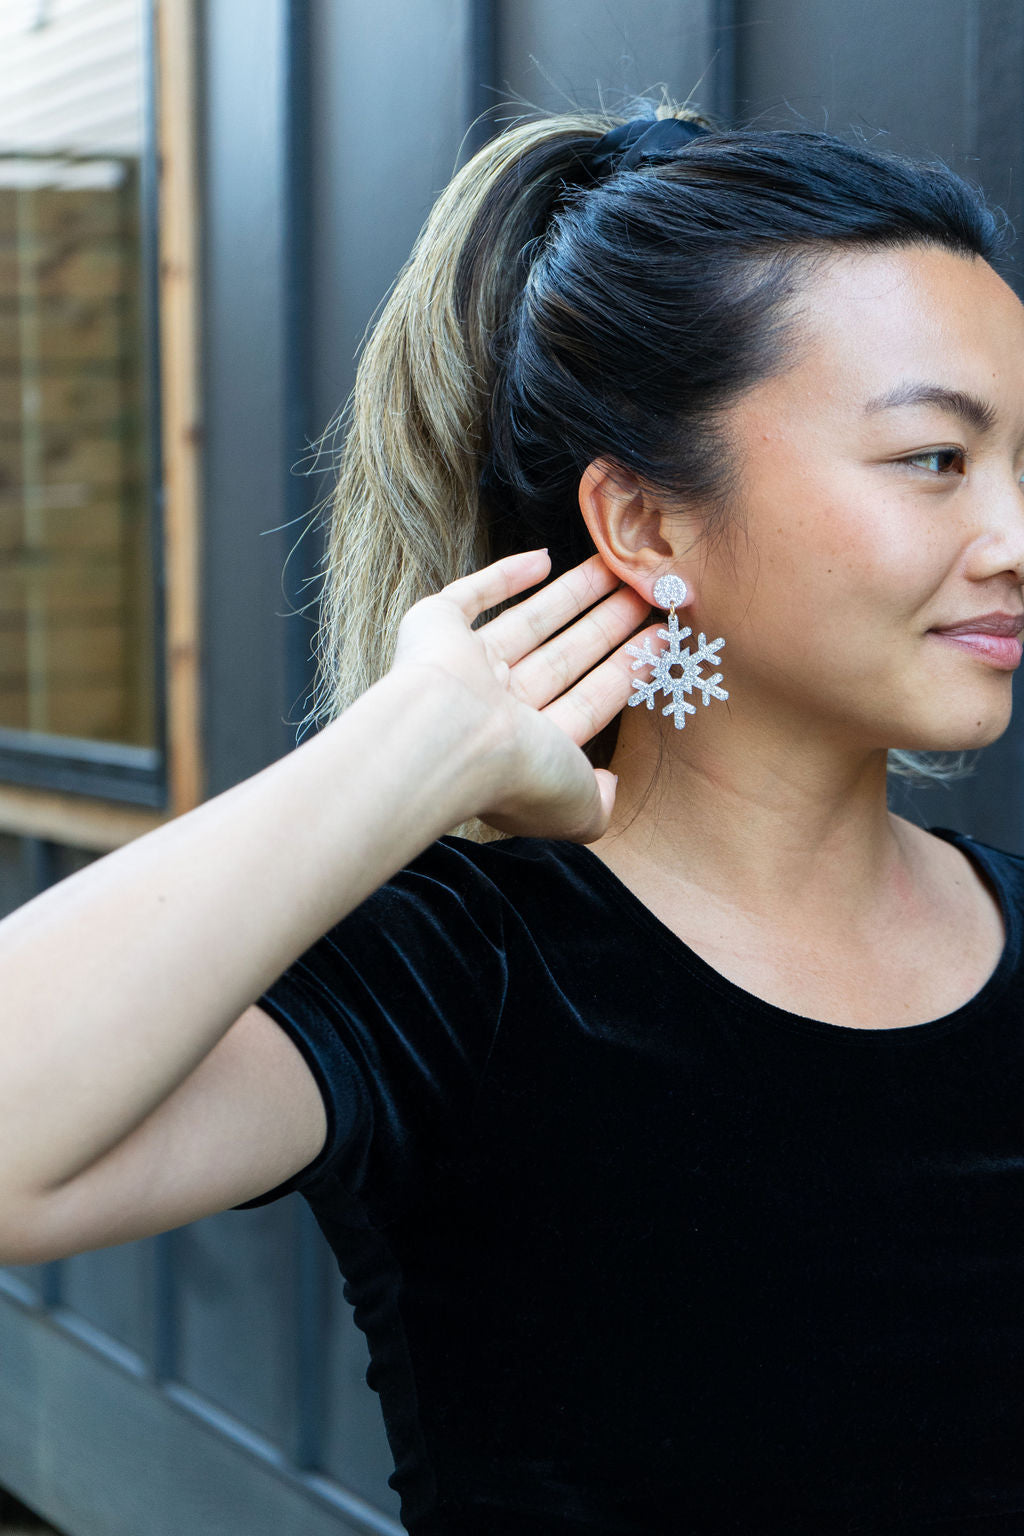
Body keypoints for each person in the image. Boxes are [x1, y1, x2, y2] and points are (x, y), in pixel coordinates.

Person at [1, 101, 1023, 1536]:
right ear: (650, 527)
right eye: (936, 459)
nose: (1012, 539)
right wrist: (413, 746)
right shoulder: (459, 970)